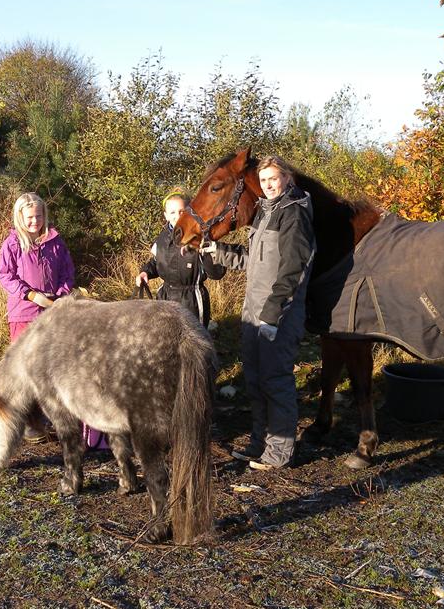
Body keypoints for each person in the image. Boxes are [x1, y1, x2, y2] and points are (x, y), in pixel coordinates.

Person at [202, 155, 315, 470]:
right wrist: (219, 252)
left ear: (286, 178)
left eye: (274, 178)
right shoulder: (266, 211)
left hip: (279, 312)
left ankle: (279, 453)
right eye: (264, 180)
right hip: (253, 310)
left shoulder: (294, 214)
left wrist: (272, 313)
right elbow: (255, 260)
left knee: (275, 380)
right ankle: (259, 443)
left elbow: (293, 269)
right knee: (254, 379)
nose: (268, 185)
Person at [0, 192, 79, 443]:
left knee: (54, 367)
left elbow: (67, 271)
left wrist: (60, 295)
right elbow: (6, 276)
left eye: (39, 216)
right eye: (30, 217)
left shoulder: (55, 241)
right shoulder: (12, 244)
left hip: (53, 313)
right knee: (25, 368)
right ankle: (30, 422)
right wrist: (31, 296)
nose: (35, 221)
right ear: (20, 216)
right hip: (24, 313)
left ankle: (56, 419)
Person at [135, 191, 224, 327]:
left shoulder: (202, 237)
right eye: (172, 212)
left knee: (193, 343)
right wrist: (145, 272)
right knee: (165, 339)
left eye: (182, 211)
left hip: (192, 300)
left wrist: (205, 250)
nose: (177, 216)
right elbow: (156, 262)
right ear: (165, 215)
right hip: (165, 298)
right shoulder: (162, 239)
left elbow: (217, 273)